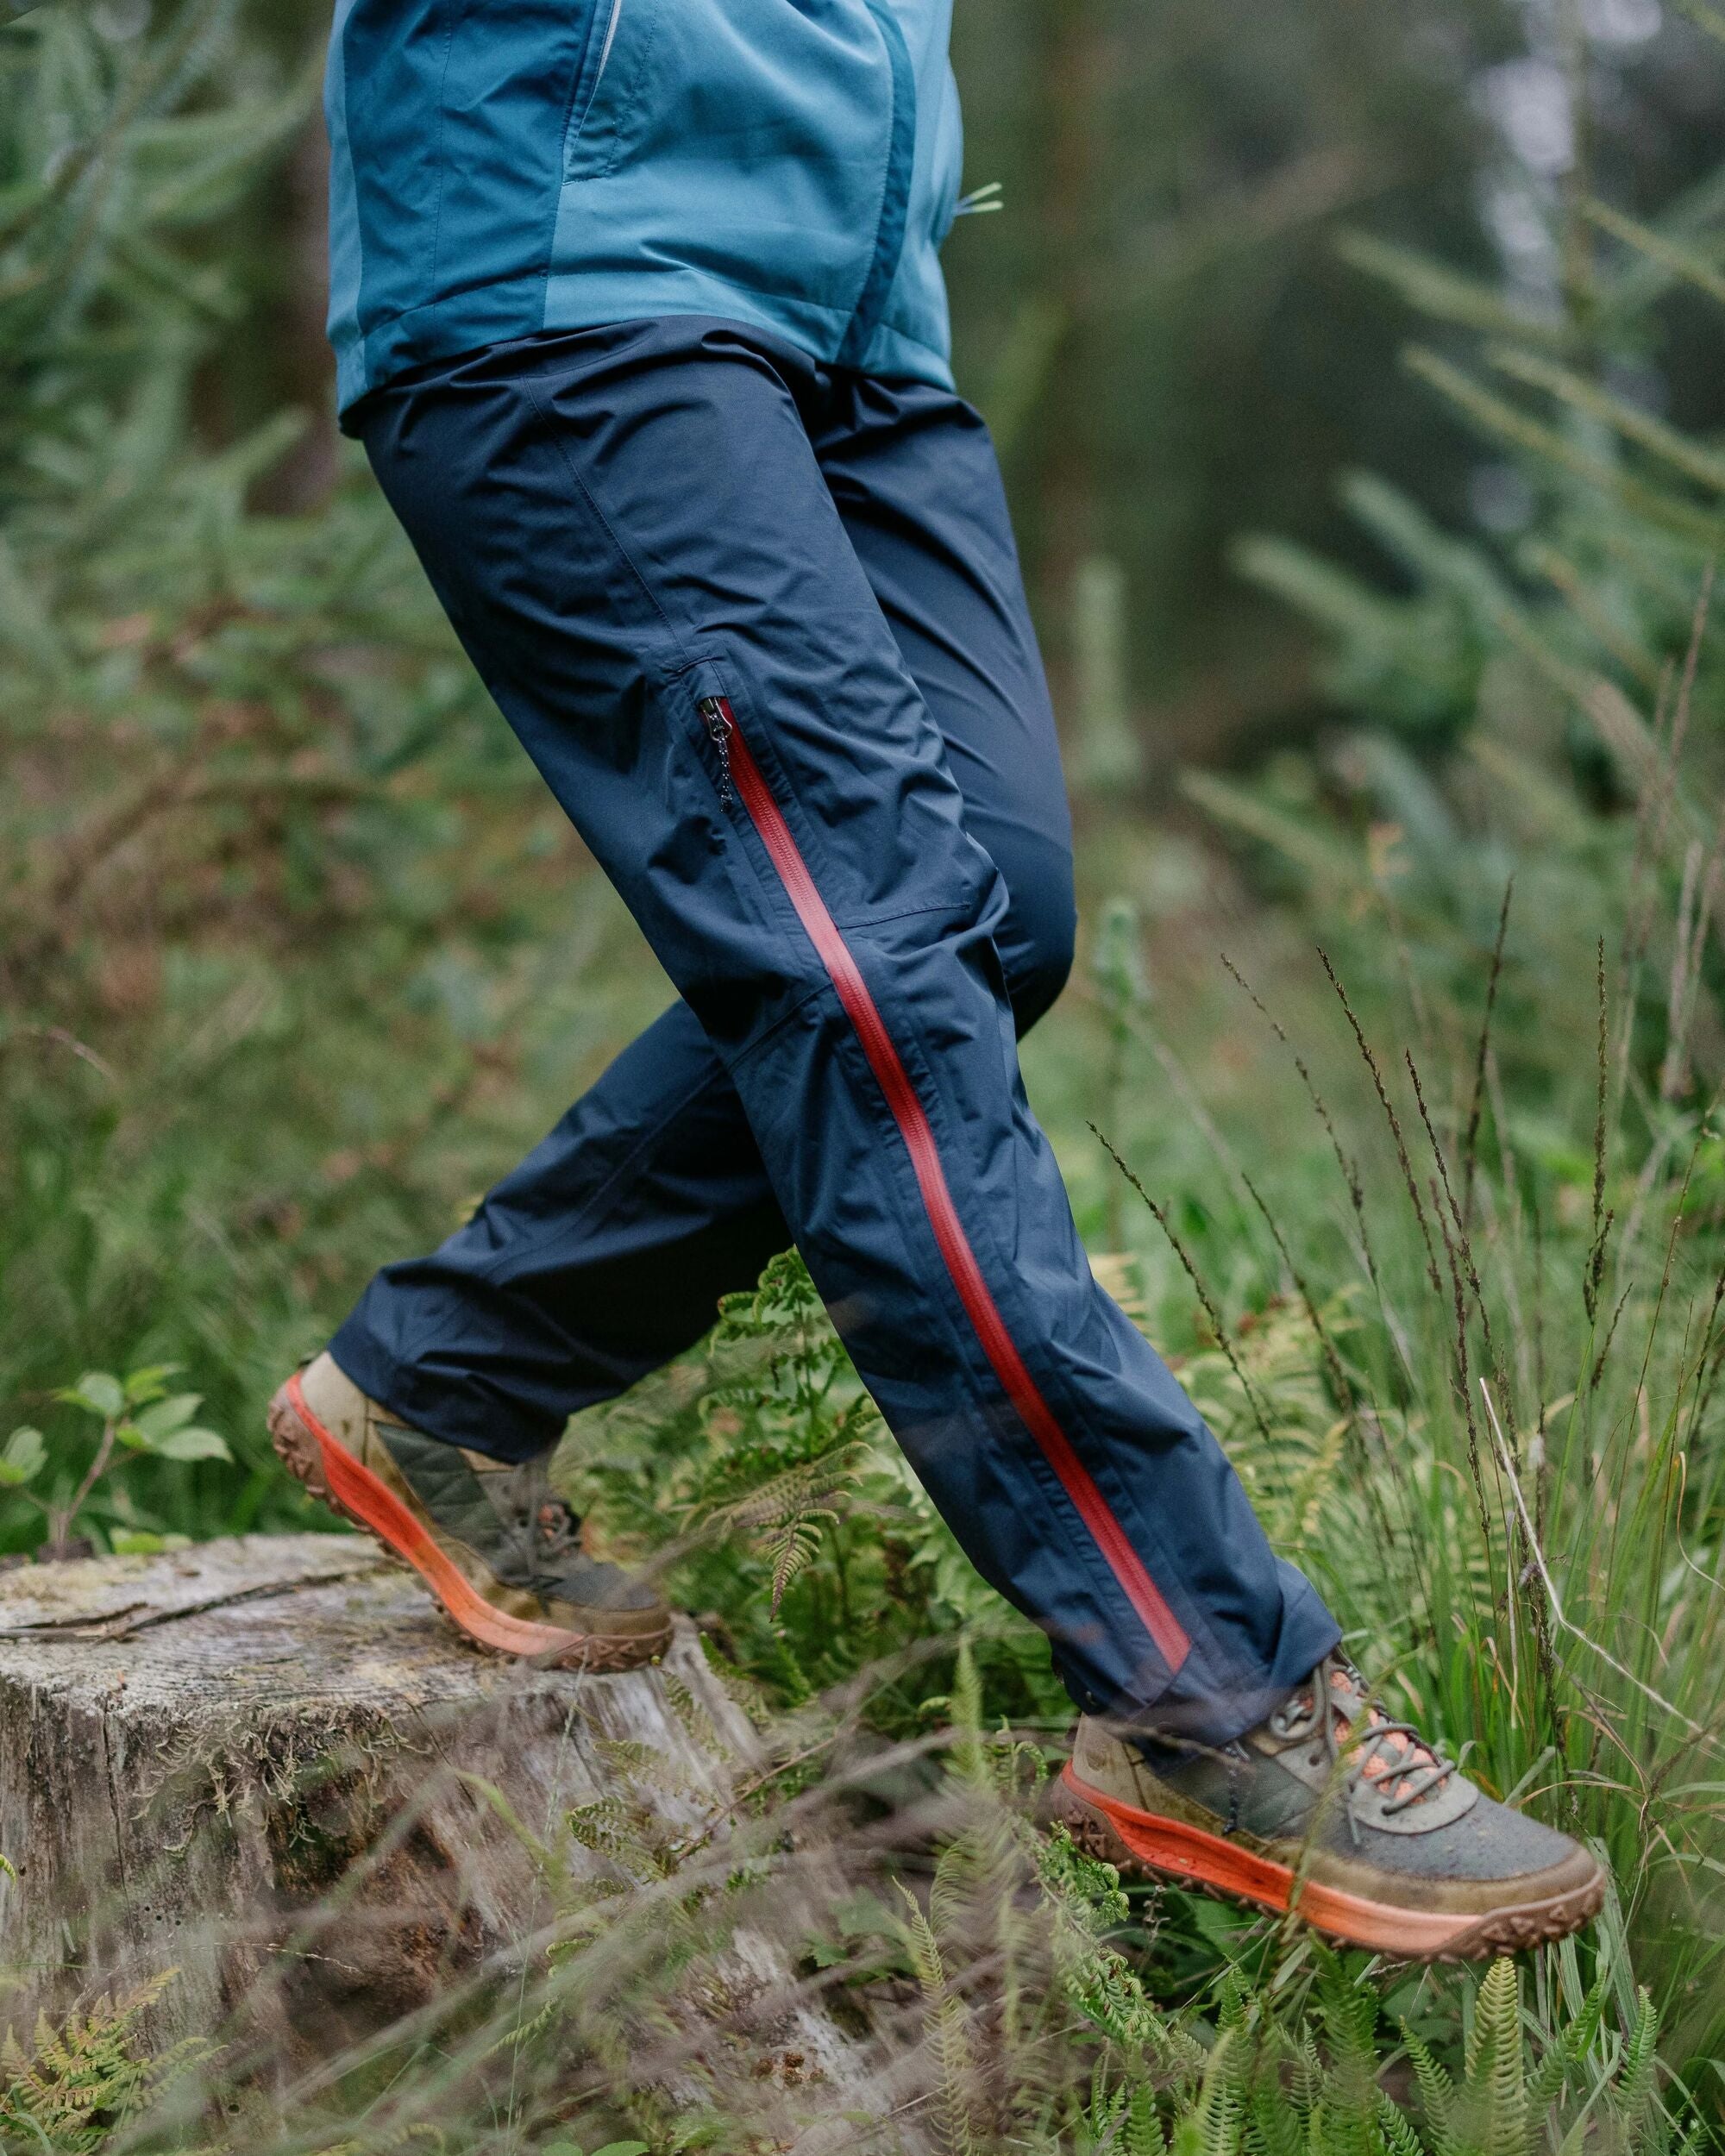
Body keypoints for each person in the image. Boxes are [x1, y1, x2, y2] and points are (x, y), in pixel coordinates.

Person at [273, 0, 1603, 1959]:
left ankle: (453, 1379)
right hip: (578, 256)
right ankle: (1207, 1684)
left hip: (852, 314)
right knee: (871, 964)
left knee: (991, 913)